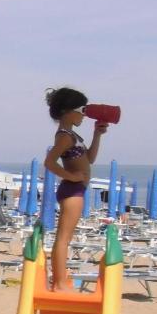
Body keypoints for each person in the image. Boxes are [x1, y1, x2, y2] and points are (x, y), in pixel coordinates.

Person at [43, 88, 108, 291]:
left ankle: (60, 281)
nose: (84, 114)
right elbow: (49, 162)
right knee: (63, 239)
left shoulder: (72, 135)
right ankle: (60, 283)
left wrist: (97, 134)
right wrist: (72, 176)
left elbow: (89, 159)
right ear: (66, 111)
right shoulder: (65, 137)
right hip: (72, 189)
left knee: (65, 238)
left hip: (75, 189)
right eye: (82, 110)